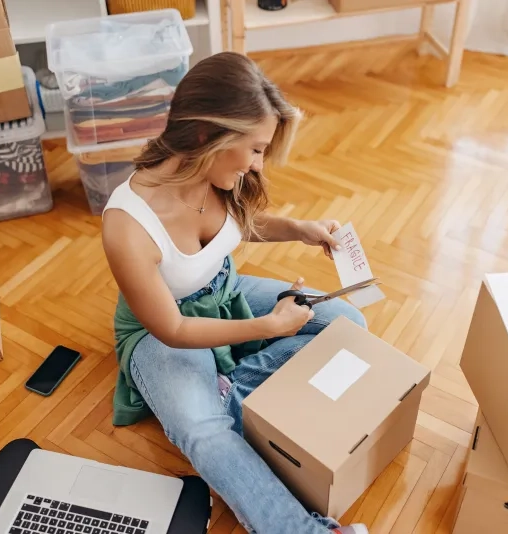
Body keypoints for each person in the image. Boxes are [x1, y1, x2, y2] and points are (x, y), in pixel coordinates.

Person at [102, 51, 369, 534]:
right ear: (207, 134)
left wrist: (299, 229)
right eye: (255, 148)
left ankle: (227, 392)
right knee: (204, 434)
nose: (257, 163)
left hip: (225, 291)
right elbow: (174, 327)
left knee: (349, 326)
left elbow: (237, 227)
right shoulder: (127, 225)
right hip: (160, 331)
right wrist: (270, 327)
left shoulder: (221, 175)